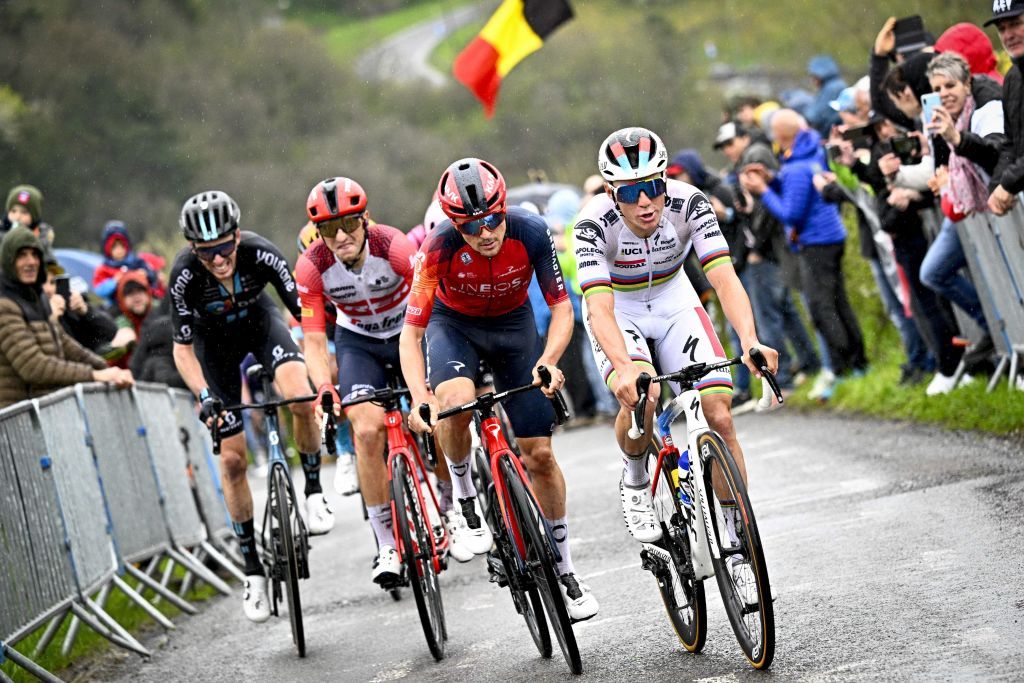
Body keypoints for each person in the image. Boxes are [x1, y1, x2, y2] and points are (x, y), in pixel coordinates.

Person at [574, 128, 777, 597]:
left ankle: (736, 540)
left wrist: (749, 340)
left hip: (673, 299)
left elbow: (723, 278)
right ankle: (636, 477)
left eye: (654, 185)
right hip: (618, 307)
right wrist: (625, 368)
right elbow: (600, 308)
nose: (646, 201)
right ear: (611, 193)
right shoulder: (591, 224)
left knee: (721, 413)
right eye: (631, 191)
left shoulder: (690, 203)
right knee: (644, 393)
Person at [401, 157, 600, 622]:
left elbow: (562, 308)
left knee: (541, 455)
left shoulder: (531, 231)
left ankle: (566, 569)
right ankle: (466, 497)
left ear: (505, 208)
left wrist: (548, 361)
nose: (486, 232)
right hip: (456, 329)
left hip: (514, 328)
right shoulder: (437, 249)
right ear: (454, 223)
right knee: (453, 405)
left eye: (493, 219)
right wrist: (419, 396)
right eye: (471, 226)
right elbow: (411, 334)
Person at [169, 190, 334, 623]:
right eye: (207, 252)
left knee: (299, 395)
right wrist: (205, 396)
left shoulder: (261, 253)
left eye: (224, 247)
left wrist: (327, 354)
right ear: (193, 249)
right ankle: (253, 570)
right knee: (233, 460)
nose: (219, 259)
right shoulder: (185, 275)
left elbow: (303, 309)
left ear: (237, 236)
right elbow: (183, 350)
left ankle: (315, 491)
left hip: (262, 326)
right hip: (214, 349)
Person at [294, 176, 420, 585]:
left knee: (431, 415)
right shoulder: (312, 265)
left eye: (349, 224)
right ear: (319, 233)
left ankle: (455, 509)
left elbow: (431, 303)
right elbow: (314, 341)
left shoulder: (394, 246)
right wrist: (324, 387)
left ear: (365, 220)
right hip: (359, 343)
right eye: (329, 228)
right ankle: (386, 544)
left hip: (407, 332)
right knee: (366, 432)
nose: (341, 235)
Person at [741, 110, 867, 385]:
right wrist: (773, 179)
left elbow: (791, 213)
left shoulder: (797, 167)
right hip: (830, 236)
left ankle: (842, 366)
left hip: (816, 242)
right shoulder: (807, 153)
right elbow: (793, 190)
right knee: (838, 301)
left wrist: (763, 190)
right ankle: (858, 363)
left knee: (822, 308)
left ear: (781, 135)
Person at [715, 122, 821, 392]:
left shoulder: (756, 155)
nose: (727, 150)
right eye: (722, 147)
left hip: (769, 253)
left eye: (729, 143)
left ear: (744, 137)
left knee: (769, 317)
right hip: (769, 252)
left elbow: (769, 209)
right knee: (784, 311)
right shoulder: (745, 162)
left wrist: (756, 249)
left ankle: (782, 378)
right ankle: (809, 364)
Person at [0, 225, 132, 409]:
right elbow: (33, 366)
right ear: (8, 260)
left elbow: (66, 344)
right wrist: (93, 375)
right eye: (22, 255)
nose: (31, 262)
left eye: (35, 255)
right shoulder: (4, 305)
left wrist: (107, 369)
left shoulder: (38, 299)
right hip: (17, 425)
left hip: (44, 416)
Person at [989, 0, 1024, 215]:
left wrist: (1009, 182)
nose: (1008, 35)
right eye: (1002, 28)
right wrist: (997, 185)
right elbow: (1010, 144)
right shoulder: (1012, 78)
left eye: (1015, 24)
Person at [92, 221, 159, 306]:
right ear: (108, 249)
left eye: (121, 246)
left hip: (141, 305)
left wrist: (145, 274)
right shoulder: (103, 269)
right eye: (115, 247)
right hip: (116, 306)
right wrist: (114, 282)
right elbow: (99, 291)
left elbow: (153, 276)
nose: (119, 250)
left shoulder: (136, 262)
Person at [805, 55, 847, 136]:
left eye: (814, 76)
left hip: (829, 134)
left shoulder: (833, 88)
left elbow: (817, 116)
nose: (813, 81)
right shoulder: (833, 85)